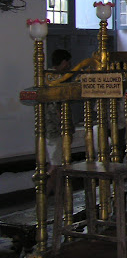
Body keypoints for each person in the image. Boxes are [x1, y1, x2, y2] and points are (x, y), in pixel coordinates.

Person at [45, 49, 72, 196]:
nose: (68, 65)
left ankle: (57, 191)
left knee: (57, 160)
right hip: (55, 127)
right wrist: (63, 122)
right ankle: (45, 190)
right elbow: (56, 105)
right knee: (55, 163)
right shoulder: (54, 78)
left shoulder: (48, 75)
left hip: (50, 126)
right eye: (67, 62)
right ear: (63, 62)